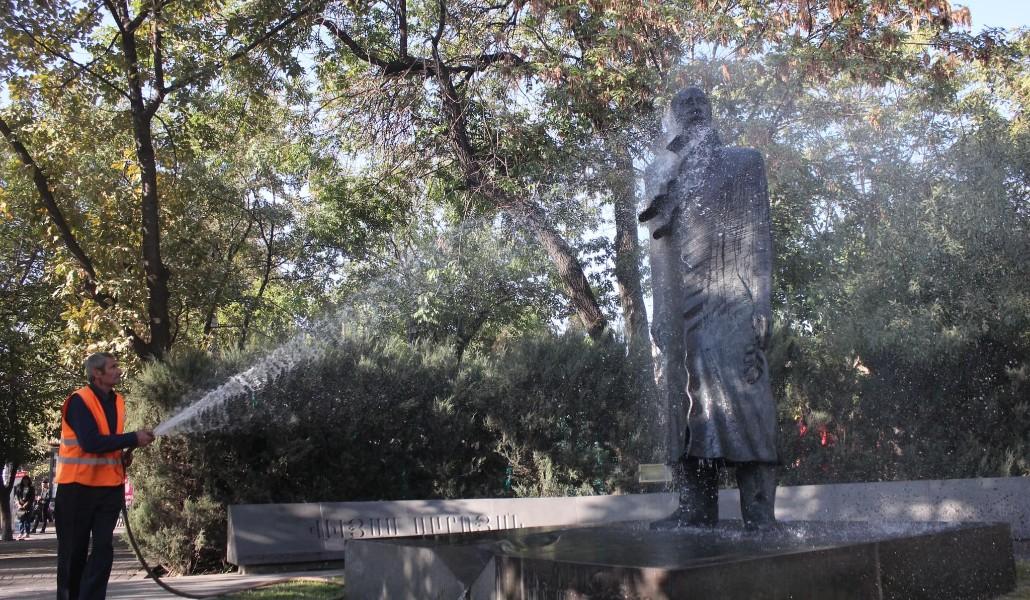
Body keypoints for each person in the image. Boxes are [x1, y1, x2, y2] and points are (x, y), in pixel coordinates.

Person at [641, 86, 778, 530]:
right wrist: (660, 314)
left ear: (712, 113)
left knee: (747, 396)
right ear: (674, 120)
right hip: (682, 308)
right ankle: (696, 510)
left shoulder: (745, 162)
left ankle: (760, 515)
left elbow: (758, 232)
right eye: (685, 106)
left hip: (731, 298)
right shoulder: (658, 175)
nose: (695, 108)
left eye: (701, 103)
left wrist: (762, 300)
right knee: (684, 408)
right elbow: (659, 256)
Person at [55, 352, 155, 600]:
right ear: (97, 374)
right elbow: (91, 442)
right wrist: (132, 438)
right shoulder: (78, 401)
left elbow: (108, 440)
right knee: (73, 554)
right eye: (113, 367)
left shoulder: (118, 401)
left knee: (103, 550)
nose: (119, 370)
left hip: (109, 488)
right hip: (76, 489)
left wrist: (122, 455)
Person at [15, 474, 36, 540]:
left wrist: (25, 504)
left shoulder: (31, 488)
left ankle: (27, 533)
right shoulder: (19, 487)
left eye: (27, 480)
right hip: (20, 506)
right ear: (22, 481)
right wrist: (18, 504)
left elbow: (32, 498)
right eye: (24, 480)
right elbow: (16, 497)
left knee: (27, 520)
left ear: (29, 481)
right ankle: (21, 533)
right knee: (21, 520)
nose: (25, 481)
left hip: (28, 506)